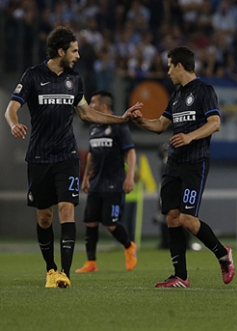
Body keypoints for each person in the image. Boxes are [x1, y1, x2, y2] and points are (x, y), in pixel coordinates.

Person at [4, 26, 142, 288]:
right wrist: (13, 124)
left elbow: (87, 114)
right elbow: (11, 109)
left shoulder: (75, 80)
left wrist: (121, 118)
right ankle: (51, 270)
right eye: (74, 50)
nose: (78, 55)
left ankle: (64, 273)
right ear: (60, 51)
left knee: (67, 210)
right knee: (44, 217)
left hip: (67, 157)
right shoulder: (33, 76)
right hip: (39, 158)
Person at [126, 46, 235, 288]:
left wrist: (189, 137)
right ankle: (180, 276)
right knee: (172, 218)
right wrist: (140, 121)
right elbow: (160, 125)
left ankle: (222, 254)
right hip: (174, 164)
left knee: (187, 219)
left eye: (169, 67)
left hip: (195, 162)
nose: (167, 72)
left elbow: (215, 123)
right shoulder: (175, 95)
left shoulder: (204, 90)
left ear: (179, 66)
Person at [75, 90, 138, 274]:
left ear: (103, 106)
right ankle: (91, 262)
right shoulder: (94, 127)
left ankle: (129, 246)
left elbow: (130, 151)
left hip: (114, 182)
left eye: (92, 103)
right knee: (91, 222)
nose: (90, 106)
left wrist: (130, 175)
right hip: (96, 182)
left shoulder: (119, 126)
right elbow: (92, 156)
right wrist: (86, 178)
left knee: (110, 223)